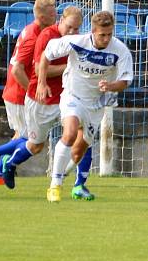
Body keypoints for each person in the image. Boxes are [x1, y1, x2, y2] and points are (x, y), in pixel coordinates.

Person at [27, 11, 133, 202]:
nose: (106, 38)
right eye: (102, 34)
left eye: (109, 34)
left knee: (78, 151)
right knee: (69, 133)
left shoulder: (120, 50)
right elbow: (46, 55)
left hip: (96, 104)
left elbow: (125, 80)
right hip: (73, 96)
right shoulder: (76, 41)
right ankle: (54, 186)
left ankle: (67, 175)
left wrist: (110, 86)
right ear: (93, 31)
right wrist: (41, 82)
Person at [0, 7, 95, 199]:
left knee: (85, 136)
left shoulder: (78, 40)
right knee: (35, 145)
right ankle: (10, 163)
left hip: (67, 98)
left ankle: (79, 186)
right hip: (42, 99)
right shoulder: (46, 36)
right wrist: (68, 68)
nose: (72, 33)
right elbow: (40, 68)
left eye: (76, 29)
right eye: (69, 27)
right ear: (61, 21)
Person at [0, 0, 56, 186]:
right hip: (20, 94)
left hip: (20, 93)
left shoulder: (37, 30)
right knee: (31, 140)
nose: (56, 15)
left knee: (25, 137)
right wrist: (34, 90)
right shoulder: (32, 35)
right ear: (43, 16)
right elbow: (17, 69)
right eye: (53, 12)